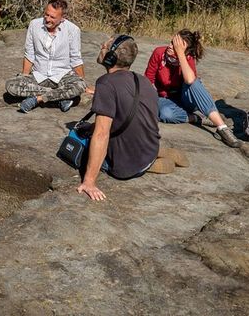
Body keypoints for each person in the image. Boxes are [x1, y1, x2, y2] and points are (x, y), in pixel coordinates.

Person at [77, 35, 184, 202]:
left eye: (104, 46)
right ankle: (153, 155)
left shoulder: (105, 83)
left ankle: (146, 165)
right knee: (90, 130)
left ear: (110, 57)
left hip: (126, 166)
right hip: (149, 148)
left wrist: (89, 181)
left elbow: (102, 134)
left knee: (79, 149)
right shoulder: (142, 80)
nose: (101, 47)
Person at [144, 30, 242, 148]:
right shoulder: (159, 53)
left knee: (194, 83)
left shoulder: (188, 58)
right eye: (171, 42)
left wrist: (180, 54)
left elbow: (190, 81)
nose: (170, 46)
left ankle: (222, 128)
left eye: (175, 45)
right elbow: (148, 80)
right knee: (166, 114)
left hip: (186, 99)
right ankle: (197, 118)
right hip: (165, 99)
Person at [5, 0, 87, 113]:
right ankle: (60, 96)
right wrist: (25, 76)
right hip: (39, 75)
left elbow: (75, 58)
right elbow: (29, 54)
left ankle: (38, 99)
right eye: (46, 15)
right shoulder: (34, 25)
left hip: (63, 75)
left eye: (52, 17)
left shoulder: (72, 30)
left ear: (62, 18)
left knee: (80, 85)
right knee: (11, 85)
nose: (47, 19)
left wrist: (83, 82)